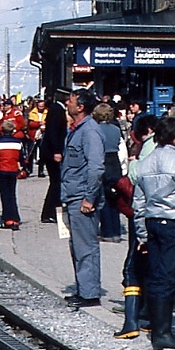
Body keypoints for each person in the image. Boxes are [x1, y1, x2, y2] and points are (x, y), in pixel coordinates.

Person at [132, 116, 175, 350]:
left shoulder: (145, 163)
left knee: (156, 274)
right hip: (174, 223)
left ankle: (157, 326)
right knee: (168, 277)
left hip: (152, 222)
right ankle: (162, 332)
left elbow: (138, 202)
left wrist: (141, 233)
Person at [113, 113, 157, 340]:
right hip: (168, 217)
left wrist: (133, 162)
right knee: (153, 266)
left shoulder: (146, 151)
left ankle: (132, 321)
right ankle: (152, 315)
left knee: (133, 266)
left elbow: (137, 183)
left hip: (144, 215)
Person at [61, 88, 106, 309]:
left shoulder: (89, 131)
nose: (66, 104)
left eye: (69, 101)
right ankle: (83, 288)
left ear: (80, 107)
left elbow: (96, 168)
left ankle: (89, 294)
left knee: (86, 247)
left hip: (82, 199)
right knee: (77, 246)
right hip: (72, 196)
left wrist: (89, 198)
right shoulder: (76, 130)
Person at [94, 103, 124, 242]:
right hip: (115, 161)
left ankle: (107, 231)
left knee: (103, 197)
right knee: (115, 197)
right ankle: (116, 230)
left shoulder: (96, 129)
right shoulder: (116, 129)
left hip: (102, 159)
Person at [40, 90, 68, 224]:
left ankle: (54, 211)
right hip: (52, 152)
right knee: (56, 182)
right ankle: (49, 213)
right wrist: (57, 151)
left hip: (50, 151)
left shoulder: (55, 108)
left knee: (56, 182)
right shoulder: (57, 110)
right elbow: (53, 132)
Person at [0, 119, 23, 229]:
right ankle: (15, 218)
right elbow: (21, 157)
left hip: (2, 170)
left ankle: (8, 219)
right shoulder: (17, 143)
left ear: (2, 130)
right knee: (12, 194)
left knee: (5, 195)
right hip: (13, 171)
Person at [27, 98, 48, 177]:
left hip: (43, 134)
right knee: (31, 152)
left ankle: (41, 171)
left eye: (42, 106)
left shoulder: (47, 112)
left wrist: (44, 126)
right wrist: (40, 123)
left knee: (42, 153)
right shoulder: (32, 113)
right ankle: (29, 169)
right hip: (33, 135)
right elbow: (31, 124)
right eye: (39, 106)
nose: (41, 108)